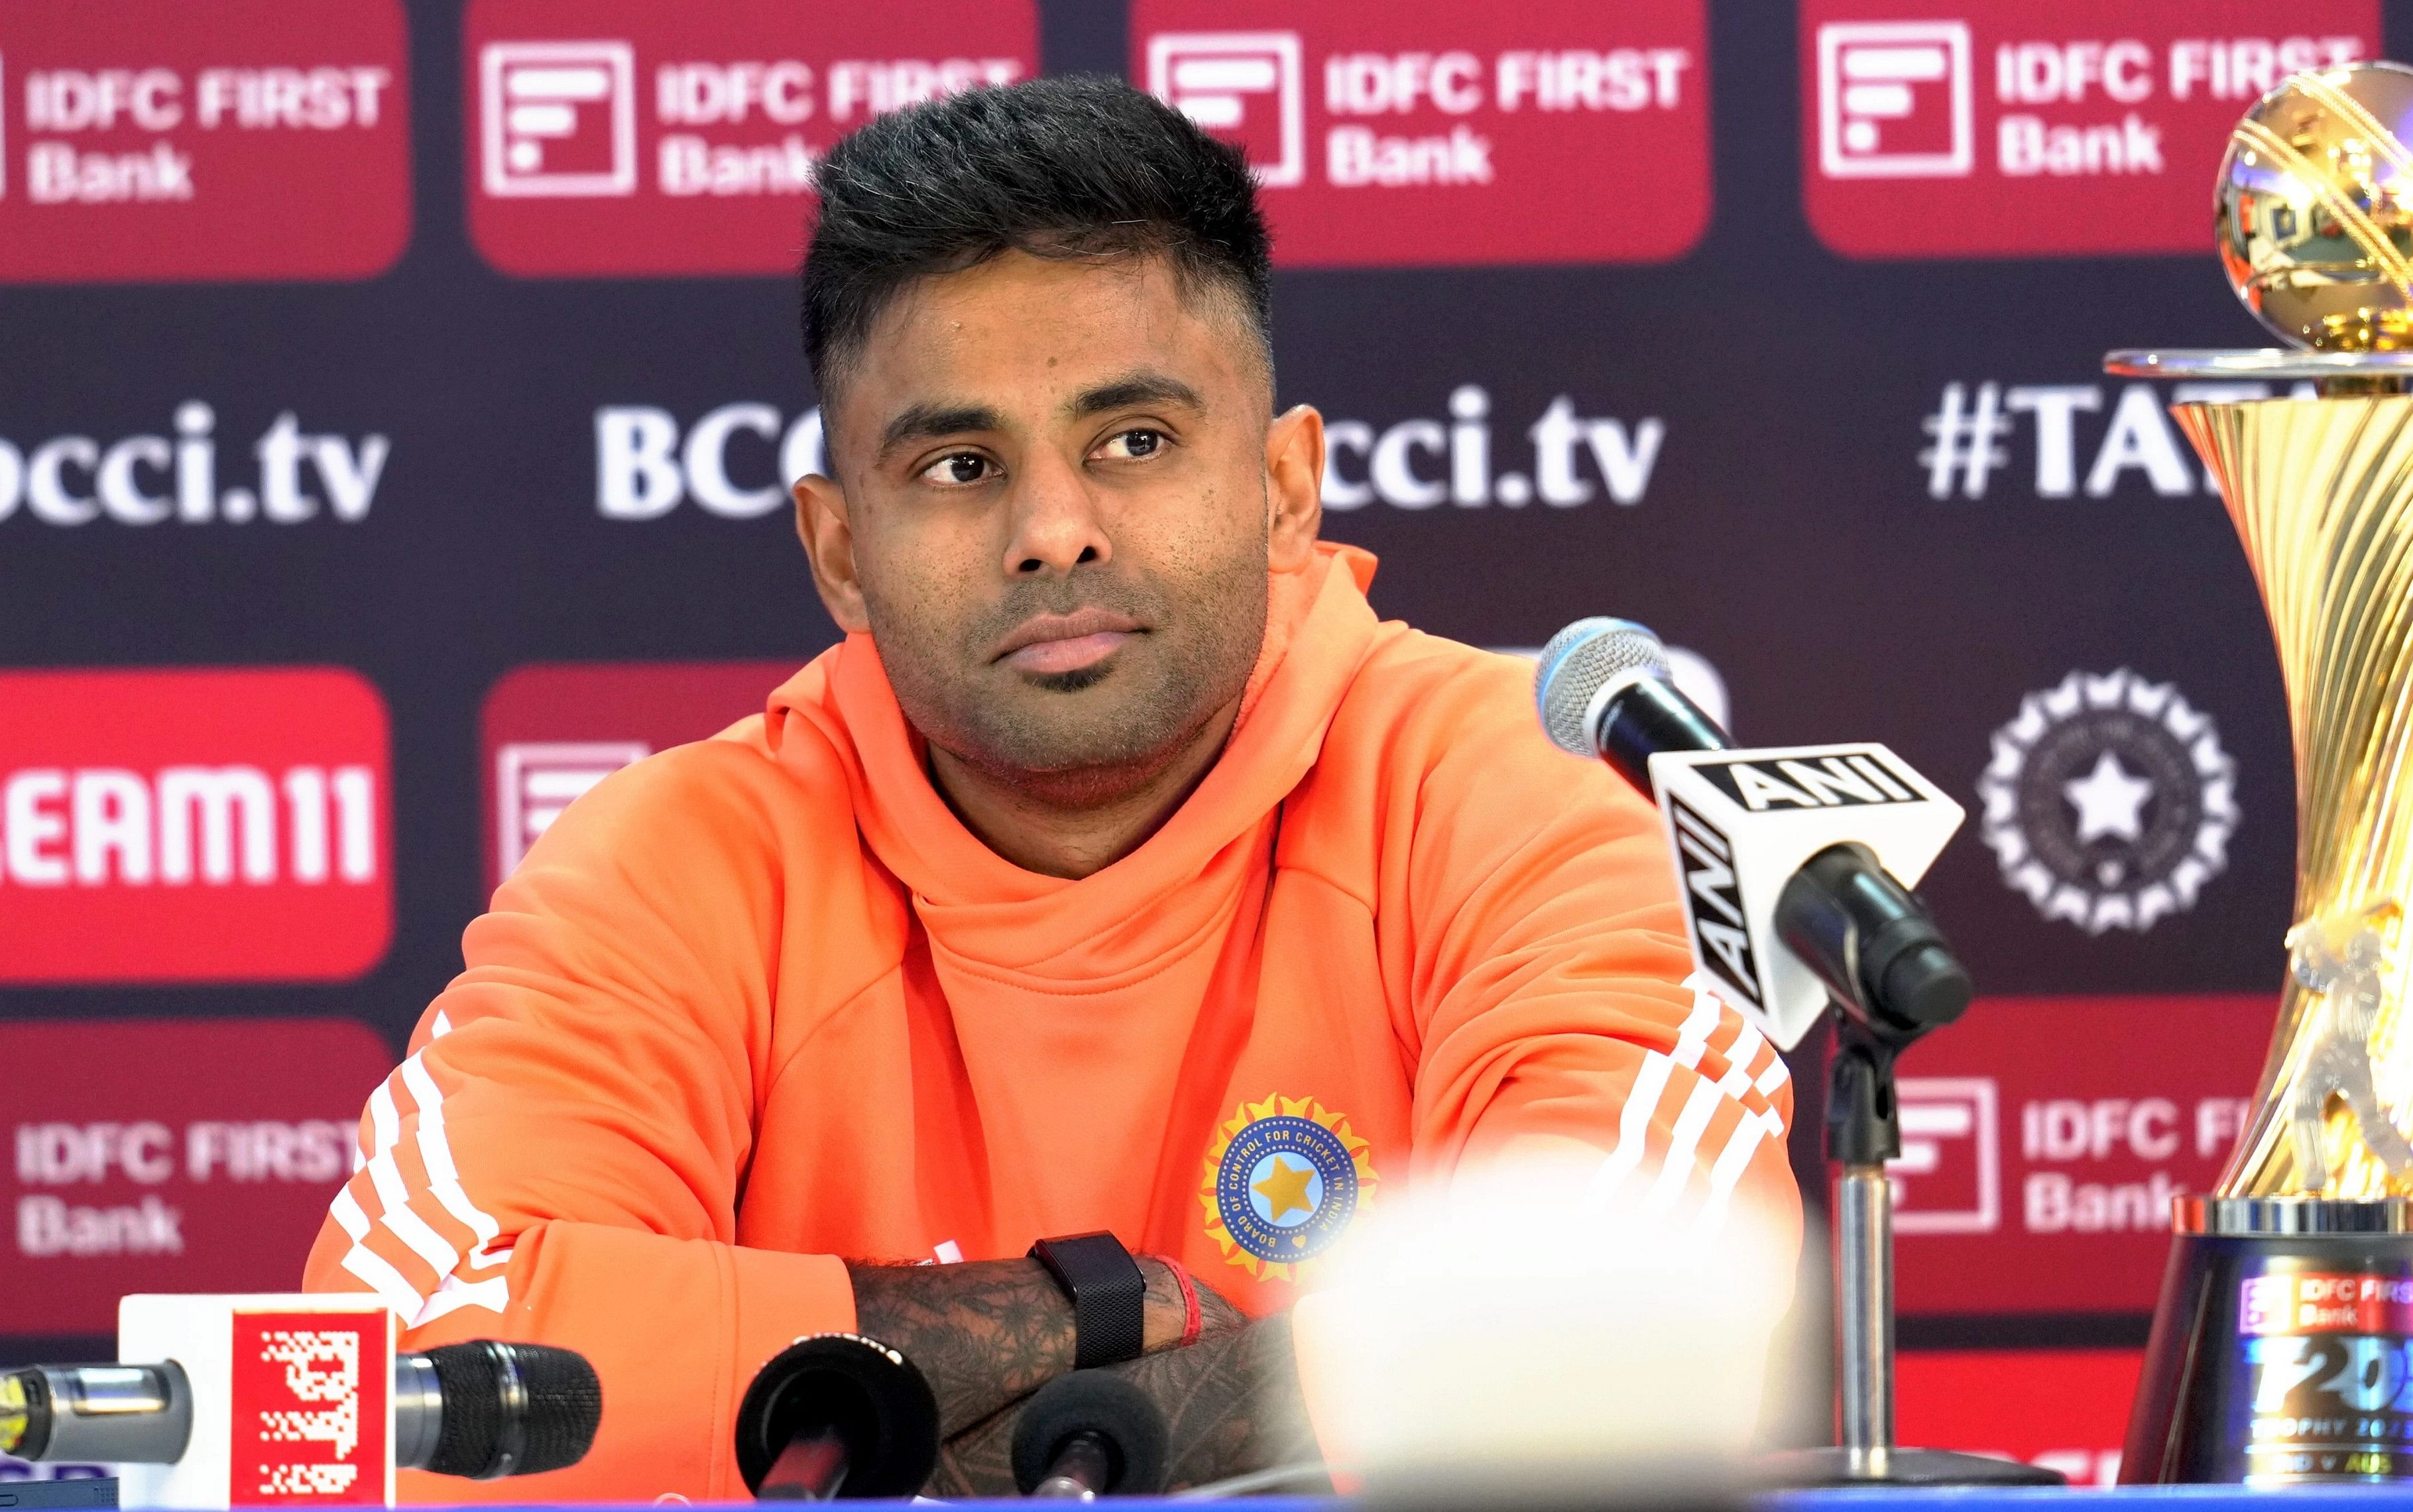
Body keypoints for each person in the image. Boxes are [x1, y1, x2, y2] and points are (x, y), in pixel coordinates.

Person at [304, 75, 1798, 1500]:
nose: (1054, 530)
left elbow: (1626, 1318)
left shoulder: (1505, 791)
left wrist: (863, 1407)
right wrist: (1059, 1322)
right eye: (959, 465)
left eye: (1134, 440)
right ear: (839, 554)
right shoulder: (680, 861)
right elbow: (377, 1369)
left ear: (1283, 489)